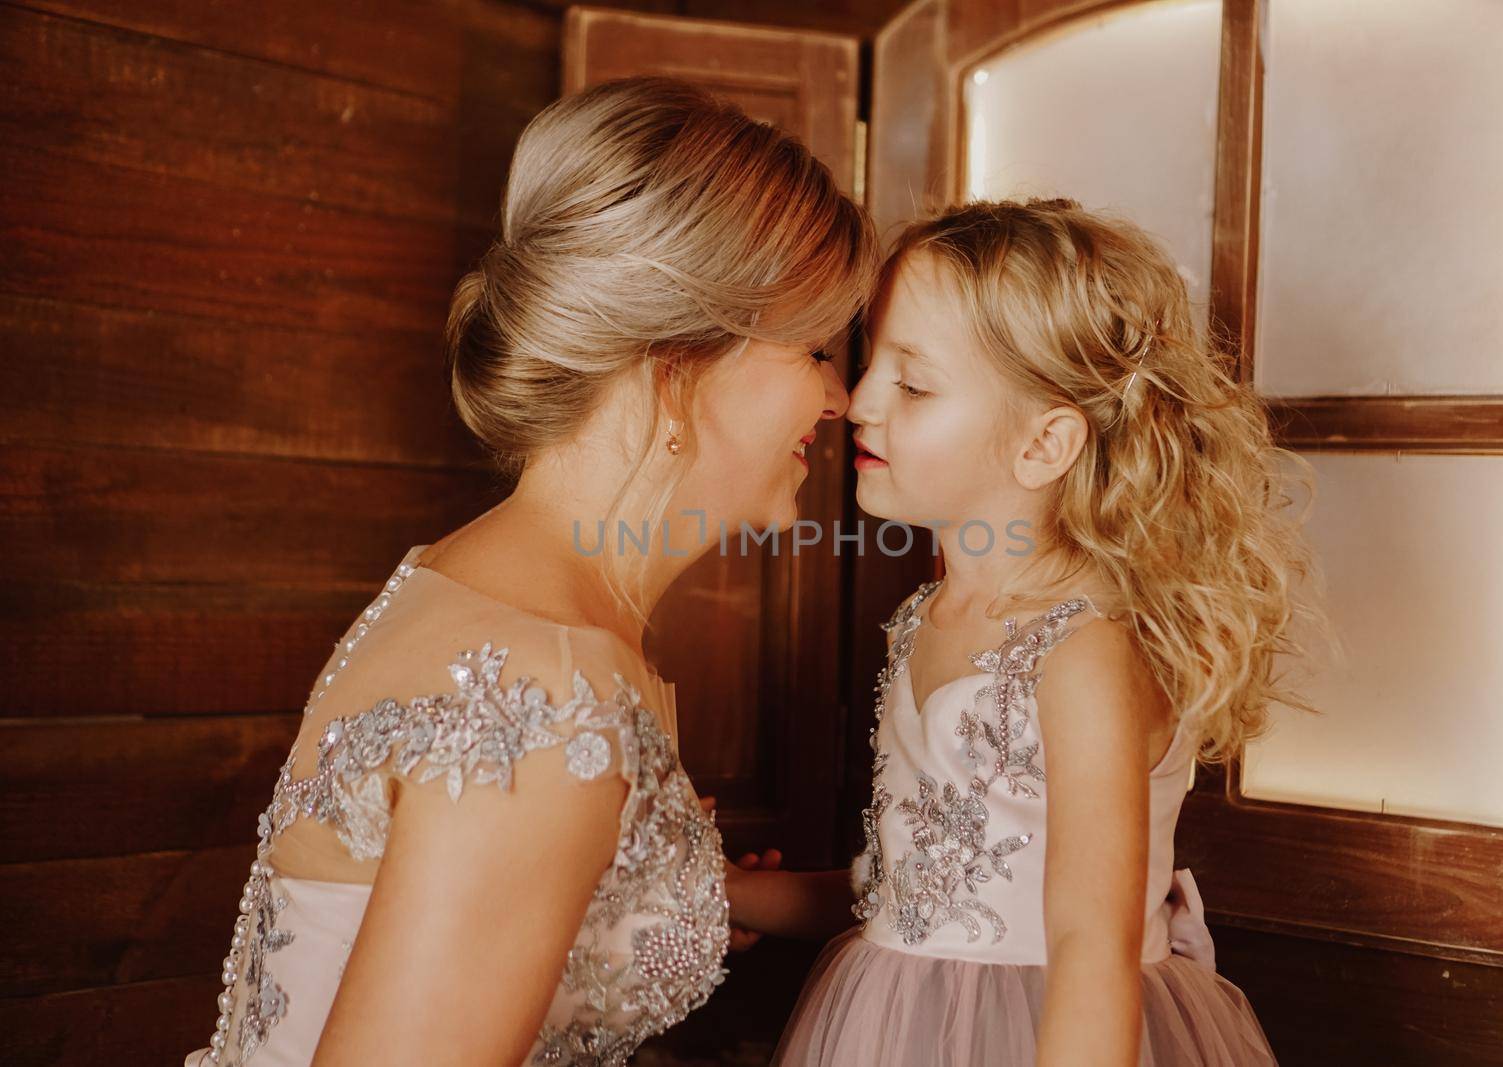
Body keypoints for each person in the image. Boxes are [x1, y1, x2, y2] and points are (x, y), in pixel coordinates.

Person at [185, 75, 876, 1067]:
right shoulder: (549, 689)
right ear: (677, 363)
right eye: (812, 347)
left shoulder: (473, 580)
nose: (839, 396)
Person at [730, 198, 1327, 1066]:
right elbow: (910, 889)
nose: (856, 401)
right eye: (868, 367)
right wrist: (739, 892)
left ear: (1045, 443)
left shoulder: (1086, 653)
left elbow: (1093, 944)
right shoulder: (920, 622)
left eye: (913, 383)